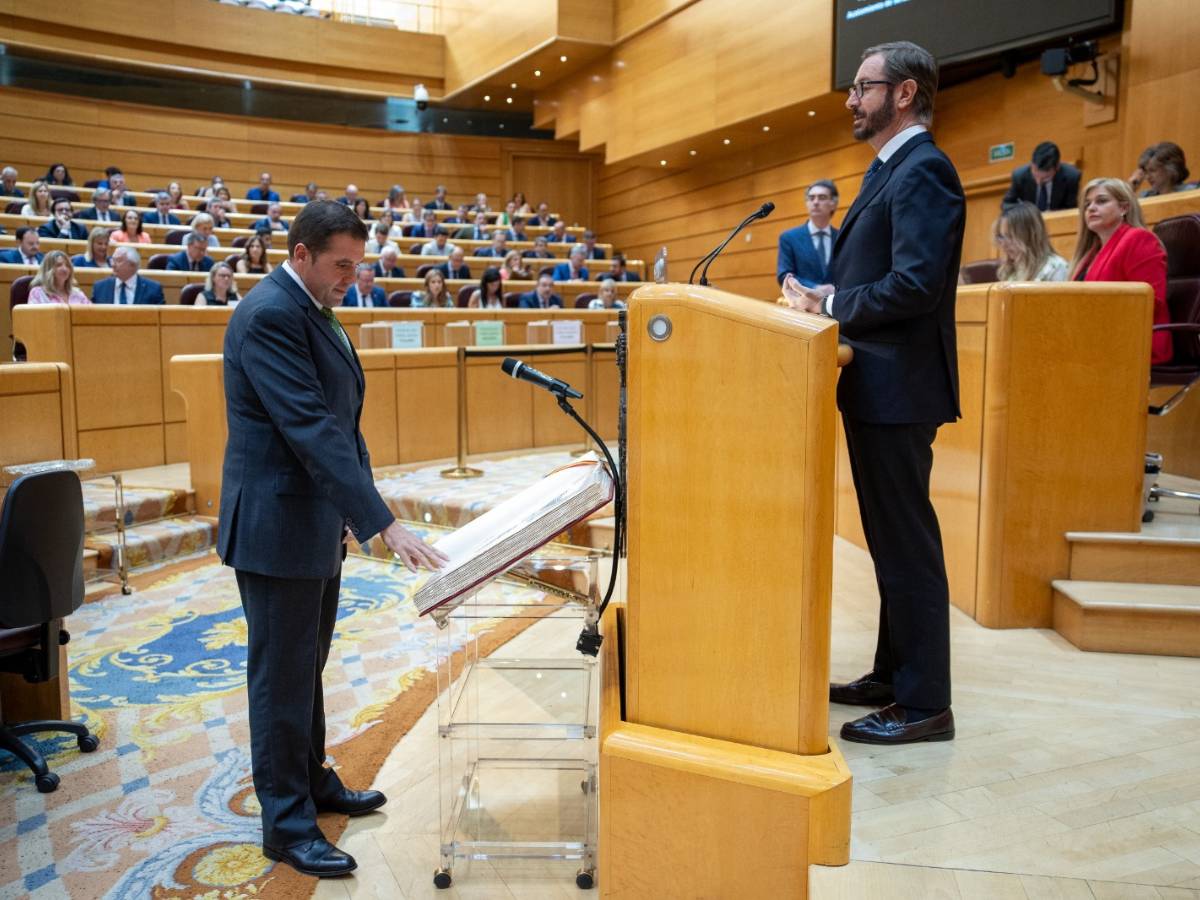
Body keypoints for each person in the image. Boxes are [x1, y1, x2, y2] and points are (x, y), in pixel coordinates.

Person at [217, 201, 446, 877]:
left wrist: (353, 509)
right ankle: (286, 826)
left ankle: (312, 781)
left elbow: (342, 420)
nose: (352, 276)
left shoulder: (312, 304)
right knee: (280, 678)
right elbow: (311, 427)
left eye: (357, 263)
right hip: (276, 527)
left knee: (304, 668)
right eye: (340, 264)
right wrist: (382, 519)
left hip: (311, 521)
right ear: (301, 255)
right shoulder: (269, 316)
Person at [781, 40, 962, 746]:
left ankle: (925, 705)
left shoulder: (924, 170)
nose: (852, 99)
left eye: (863, 86)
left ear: (906, 93)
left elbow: (916, 285)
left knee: (907, 545)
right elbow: (885, 277)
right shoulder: (894, 169)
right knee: (892, 542)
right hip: (878, 381)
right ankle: (895, 674)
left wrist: (830, 308)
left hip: (900, 386)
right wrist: (828, 293)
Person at [1070, 177, 1171, 365]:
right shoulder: (1090, 253)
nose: (1091, 208)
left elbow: (1149, 301)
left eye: (1101, 201)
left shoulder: (1139, 239)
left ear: (1124, 208)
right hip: (1095, 341)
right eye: (1087, 204)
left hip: (1132, 343)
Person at [777, 180, 839, 288]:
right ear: (807, 203)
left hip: (835, 302)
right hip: (801, 302)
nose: (815, 202)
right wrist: (815, 288)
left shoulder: (843, 237)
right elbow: (784, 275)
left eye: (822, 197)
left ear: (833, 204)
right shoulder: (789, 238)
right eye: (811, 198)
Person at [993, 202, 1069, 282]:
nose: (1004, 244)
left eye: (1011, 236)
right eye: (1002, 236)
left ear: (1031, 235)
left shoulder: (1056, 268)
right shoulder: (1010, 270)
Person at [1001, 141, 1081, 212]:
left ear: (1057, 168)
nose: (1038, 182)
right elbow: (1006, 204)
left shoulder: (1071, 177)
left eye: (1045, 178)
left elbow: (1070, 210)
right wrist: (1026, 211)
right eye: (1035, 175)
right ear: (1031, 164)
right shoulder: (1019, 176)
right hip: (1029, 223)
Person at [91, 246, 164, 304]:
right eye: (112, 260)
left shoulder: (153, 290)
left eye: (118, 261)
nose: (113, 265)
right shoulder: (100, 288)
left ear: (133, 265)